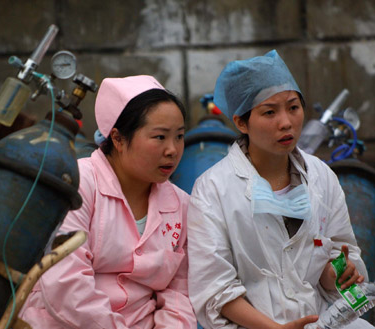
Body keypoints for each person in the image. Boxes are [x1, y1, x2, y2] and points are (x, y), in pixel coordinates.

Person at [187, 50, 373, 329]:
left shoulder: (322, 177)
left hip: (321, 320)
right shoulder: (212, 190)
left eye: (293, 107)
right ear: (241, 122)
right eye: (270, 112)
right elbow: (215, 289)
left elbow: (337, 252)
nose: (286, 122)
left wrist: (338, 273)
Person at [19, 75, 197, 328]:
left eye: (179, 136)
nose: (172, 149)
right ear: (118, 138)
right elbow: (65, 282)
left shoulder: (181, 205)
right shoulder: (79, 184)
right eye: (159, 137)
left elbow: (179, 292)